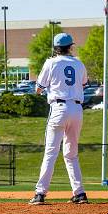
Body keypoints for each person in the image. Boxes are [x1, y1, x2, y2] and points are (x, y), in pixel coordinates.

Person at [29, 33, 88, 205]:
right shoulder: (78, 63)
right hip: (77, 109)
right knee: (71, 154)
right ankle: (80, 193)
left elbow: (38, 89)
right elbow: (84, 83)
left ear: (55, 48)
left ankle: (40, 194)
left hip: (59, 108)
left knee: (51, 153)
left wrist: (45, 87)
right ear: (70, 47)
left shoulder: (51, 62)